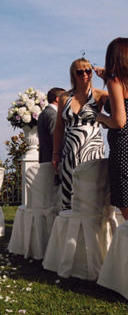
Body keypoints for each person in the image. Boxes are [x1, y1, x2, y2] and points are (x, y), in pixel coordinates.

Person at [52, 57, 108, 210]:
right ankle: (71, 231)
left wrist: (107, 77)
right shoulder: (65, 97)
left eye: (88, 70)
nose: (84, 74)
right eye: (79, 71)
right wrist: (56, 152)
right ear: (73, 75)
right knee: (70, 194)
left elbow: (121, 104)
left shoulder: (100, 95)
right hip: (70, 152)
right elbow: (59, 127)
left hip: (93, 150)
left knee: (92, 192)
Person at [95, 38, 128, 220]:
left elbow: (119, 121)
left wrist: (100, 117)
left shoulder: (115, 81)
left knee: (125, 204)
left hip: (124, 149)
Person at [38, 87, 65, 163]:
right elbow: (55, 137)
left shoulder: (43, 114)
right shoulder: (53, 115)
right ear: (58, 99)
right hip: (54, 161)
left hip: (45, 159)